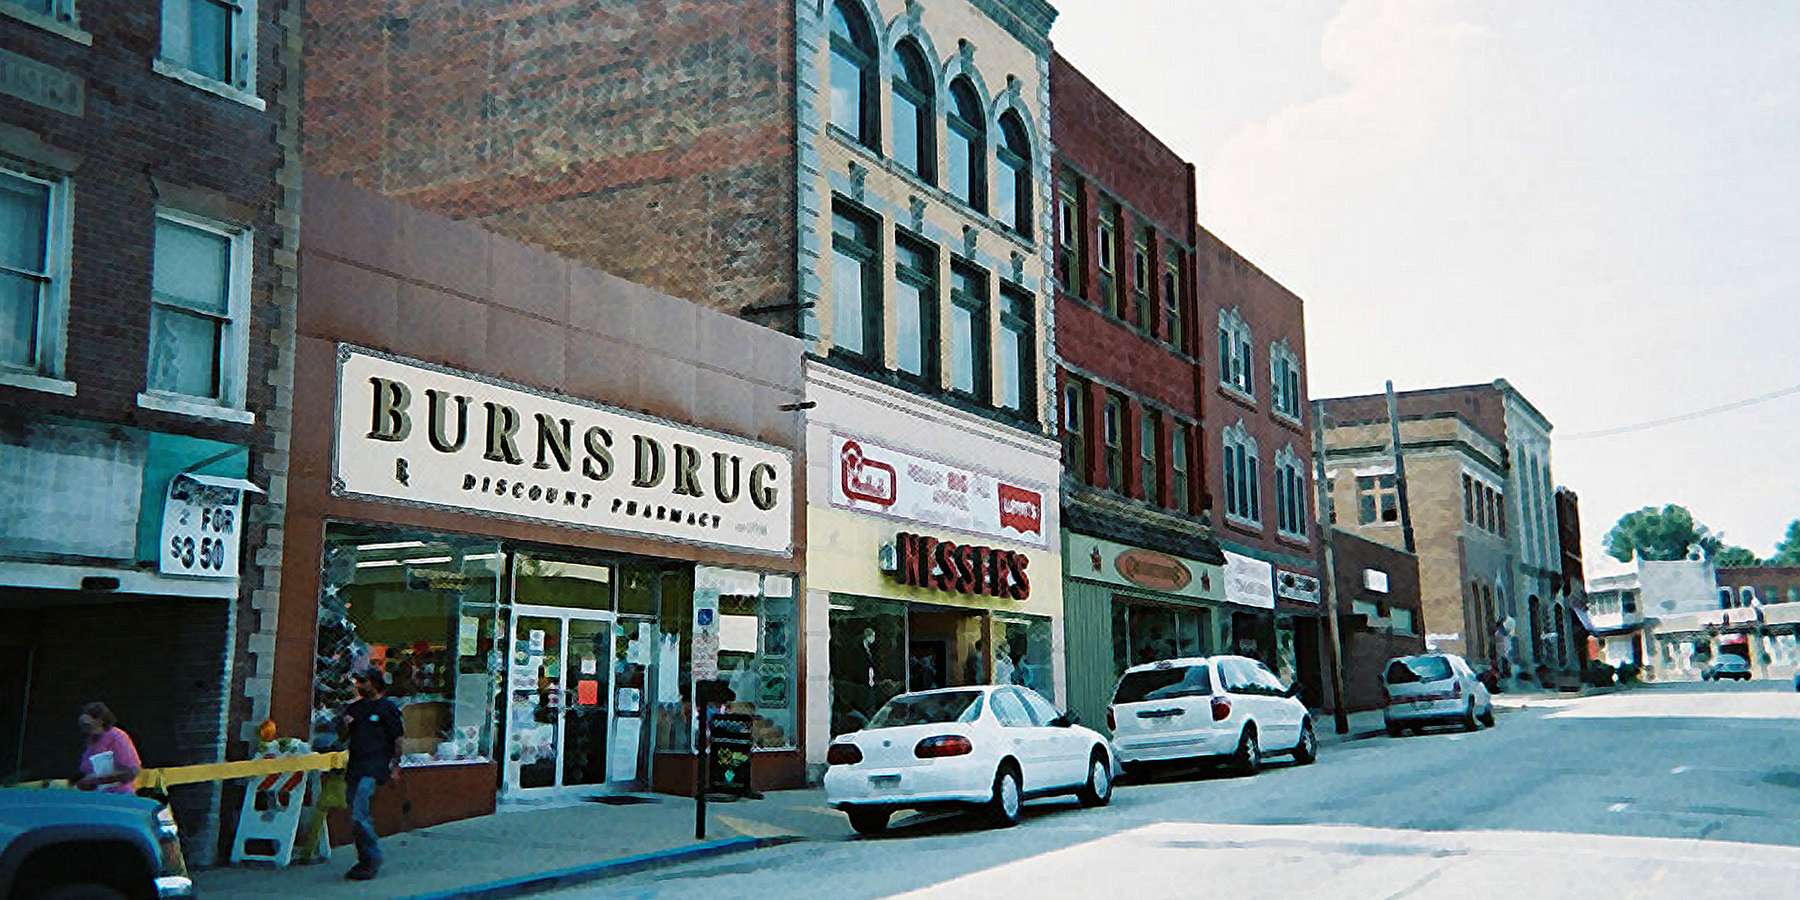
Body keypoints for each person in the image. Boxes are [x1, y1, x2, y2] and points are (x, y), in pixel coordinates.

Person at [339, 669, 404, 881]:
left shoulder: (387, 708)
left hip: (374, 766)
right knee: (356, 814)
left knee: (359, 812)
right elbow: (343, 737)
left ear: (375, 683)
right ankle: (364, 858)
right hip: (355, 765)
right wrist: (345, 725)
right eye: (358, 681)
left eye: (363, 681)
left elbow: (397, 739)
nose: (359, 685)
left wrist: (395, 766)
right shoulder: (355, 708)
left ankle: (371, 858)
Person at [76, 702, 141, 794]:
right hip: (97, 798)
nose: (85, 730)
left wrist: (97, 780)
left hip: (119, 798)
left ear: (100, 720)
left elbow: (132, 772)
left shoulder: (117, 737)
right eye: (83, 727)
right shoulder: (91, 743)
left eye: (87, 725)